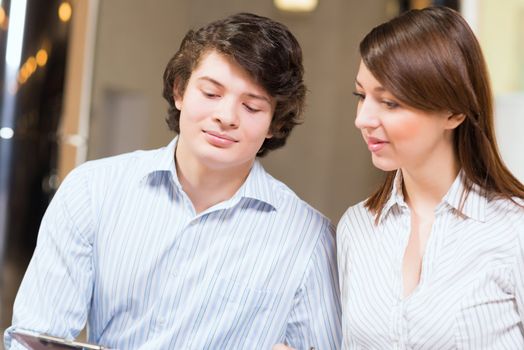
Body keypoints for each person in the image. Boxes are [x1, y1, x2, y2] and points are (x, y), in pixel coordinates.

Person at [4, 13, 342, 349]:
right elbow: (34, 337)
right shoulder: (94, 190)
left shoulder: (308, 238)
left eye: (252, 107)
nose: (226, 117)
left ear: (274, 123)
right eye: (211, 94)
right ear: (180, 91)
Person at [337, 6, 524, 349]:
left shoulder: (514, 230)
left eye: (390, 102)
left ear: (454, 112)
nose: (363, 119)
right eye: (361, 96)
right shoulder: (356, 228)